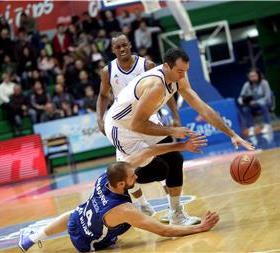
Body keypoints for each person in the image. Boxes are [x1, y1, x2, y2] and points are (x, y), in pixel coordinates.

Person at [104, 48, 254, 225]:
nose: (183, 75)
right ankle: (122, 168)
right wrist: (172, 131)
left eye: (185, 71)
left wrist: (232, 134)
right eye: (180, 71)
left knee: (175, 159)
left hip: (142, 119)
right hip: (121, 127)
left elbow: (203, 108)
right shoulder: (156, 85)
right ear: (167, 66)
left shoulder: (178, 77)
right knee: (159, 170)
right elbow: (137, 125)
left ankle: (176, 214)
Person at [18, 135, 219, 252]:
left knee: (76, 212)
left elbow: (147, 152)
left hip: (78, 223)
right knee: (112, 220)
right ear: (122, 183)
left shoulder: (107, 176)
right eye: (133, 177)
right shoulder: (124, 210)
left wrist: (181, 145)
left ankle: (32, 239)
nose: (137, 178)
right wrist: (200, 228)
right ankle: (102, 237)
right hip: (90, 243)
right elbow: (164, 231)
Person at [96, 33, 181, 218]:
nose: (122, 49)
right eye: (118, 47)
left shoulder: (146, 65)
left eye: (124, 45)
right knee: (126, 169)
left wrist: (175, 116)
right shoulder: (108, 71)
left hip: (149, 120)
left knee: (169, 161)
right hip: (124, 124)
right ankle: (144, 206)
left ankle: (173, 209)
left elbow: (167, 93)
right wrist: (100, 119)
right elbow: (103, 96)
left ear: (130, 45)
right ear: (113, 50)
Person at [238, 68, 273, 136]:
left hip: (265, 103)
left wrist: (256, 102)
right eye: (251, 76)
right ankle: (251, 128)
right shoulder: (247, 85)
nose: (252, 78)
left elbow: (267, 97)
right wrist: (242, 101)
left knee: (263, 104)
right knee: (245, 109)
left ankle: (267, 125)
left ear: (258, 75)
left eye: (254, 76)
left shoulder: (264, 83)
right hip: (252, 105)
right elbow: (240, 97)